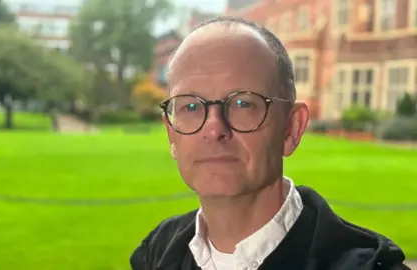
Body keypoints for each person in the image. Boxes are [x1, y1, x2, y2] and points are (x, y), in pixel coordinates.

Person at [130, 16, 410, 270]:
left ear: (291, 128)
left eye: (242, 103)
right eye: (190, 107)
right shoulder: (157, 253)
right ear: (171, 135)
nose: (214, 129)